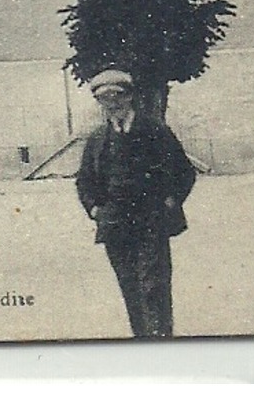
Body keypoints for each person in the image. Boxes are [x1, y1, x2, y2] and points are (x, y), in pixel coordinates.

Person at [75, 68, 197, 338]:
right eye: (104, 99)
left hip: (150, 220)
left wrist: (170, 201)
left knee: (153, 285)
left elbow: (184, 171)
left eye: (117, 96)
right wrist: (95, 209)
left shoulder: (154, 130)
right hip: (114, 225)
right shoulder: (97, 139)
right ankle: (142, 340)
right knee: (129, 286)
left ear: (129, 97)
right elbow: (84, 180)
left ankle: (160, 340)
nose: (111, 104)